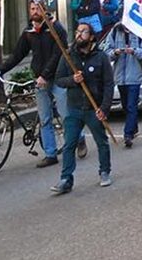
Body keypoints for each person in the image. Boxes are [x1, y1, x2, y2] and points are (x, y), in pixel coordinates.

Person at [0, 0, 84, 167]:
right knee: (45, 118)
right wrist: (0, 70)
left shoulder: (56, 28)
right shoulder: (29, 31)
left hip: (58, 78)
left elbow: (58, 55)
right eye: (32, 9)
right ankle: (50, 154)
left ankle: (80, 138)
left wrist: (45, 75)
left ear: (44, 10)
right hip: (40, 80)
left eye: (38, 8)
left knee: (66, 115)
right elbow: (17, 54)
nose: (34, 12)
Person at [50, 22, 113, 194]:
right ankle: (66, 179)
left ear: (91, 37)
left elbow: (108, 84)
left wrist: (104, 108)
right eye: (77, 31)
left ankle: (105, 171)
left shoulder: (101, 57)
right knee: (69, 144)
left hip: (94, 107)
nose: (79, 35)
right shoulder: (68, 56)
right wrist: (73, 80)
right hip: (74, 108)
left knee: (101, 141)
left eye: (83, 32)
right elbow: (59, 80)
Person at [106, 23, 142, 148]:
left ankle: (128, 134)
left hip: (135, 76)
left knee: (132, 105)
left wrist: (134, 51)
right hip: (120, 77)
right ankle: (133, 126)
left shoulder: (140, 32)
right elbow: (106, 52)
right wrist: (115, 53)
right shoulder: (115, 31)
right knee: (126, 105)